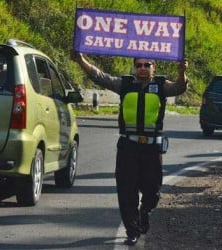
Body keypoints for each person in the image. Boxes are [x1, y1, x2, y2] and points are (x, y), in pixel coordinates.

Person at [73, 52, 189, 245]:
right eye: (139, 65)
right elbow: (99, 76)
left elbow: (179, 87)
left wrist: (182, 72)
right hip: (128, 146)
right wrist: (80, 60)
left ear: (154, 68)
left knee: (152, 191)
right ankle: (132, 230)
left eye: (147, 65)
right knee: (127, 191)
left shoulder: (161, 86)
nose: (142, 68)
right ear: (135, 68)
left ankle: (145, 211)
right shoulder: (124, 85)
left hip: (152, 149)